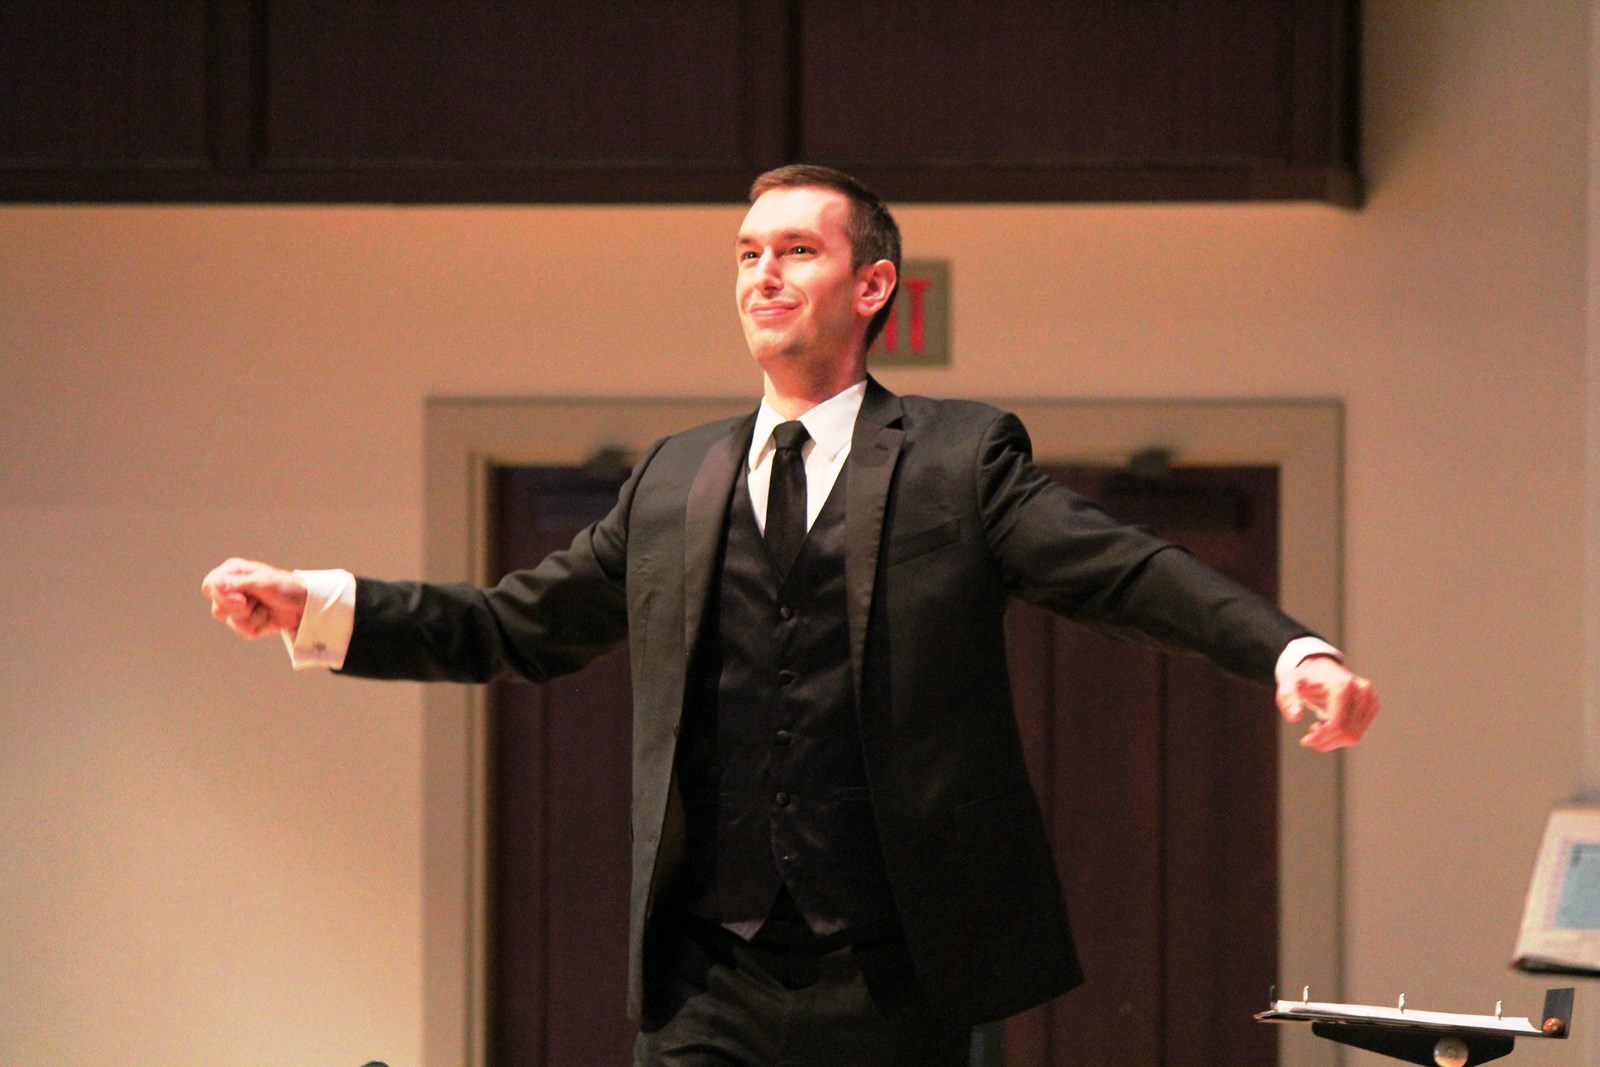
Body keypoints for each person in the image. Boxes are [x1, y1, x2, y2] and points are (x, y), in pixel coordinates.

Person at [203, 164, 1377, 1067]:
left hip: (894, 977)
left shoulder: (957, 459)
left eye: (797, 250)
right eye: (747, 253)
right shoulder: (672, 477)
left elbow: (1122, 571)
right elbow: (520, 623)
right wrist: (326, 605)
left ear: (872, 288)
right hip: (707, 975)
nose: (761, 274)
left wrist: (1288, 649)